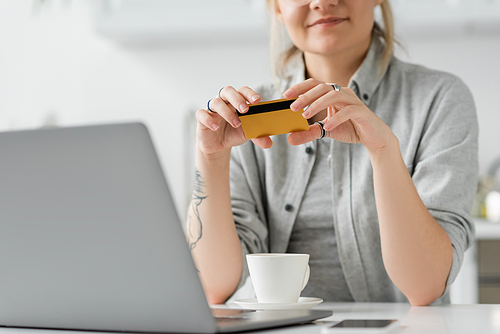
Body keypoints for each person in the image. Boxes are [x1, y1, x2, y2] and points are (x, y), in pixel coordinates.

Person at [186, 0, 478, 306]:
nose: (323, 2)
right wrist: (211, 159)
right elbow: (213, 286)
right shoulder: (243, 120)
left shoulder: (441, 99)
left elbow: (426, 285)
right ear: (277, 8)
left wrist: (383, 151)